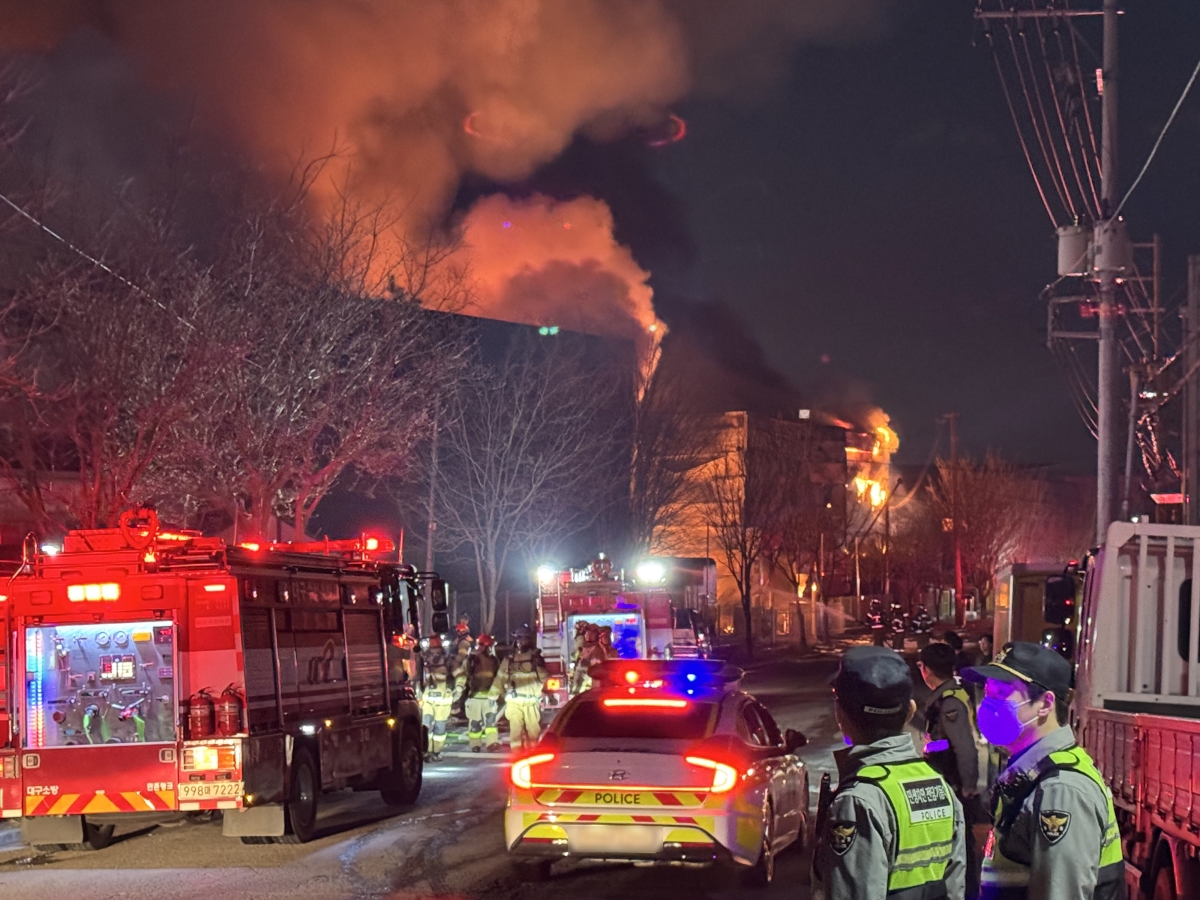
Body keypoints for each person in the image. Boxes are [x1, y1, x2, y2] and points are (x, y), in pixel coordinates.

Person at [962, 642, 1125, 900]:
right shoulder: (1030, 774)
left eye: (1002, 693)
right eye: (988, 692)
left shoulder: (1060, 790)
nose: (988, 704)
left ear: (1045, 704)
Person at [813, 646, 966, 900]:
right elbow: (955, 887)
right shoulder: (939, 786)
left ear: (840, 713)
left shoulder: (858, 800)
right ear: (910, 710)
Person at [919, 643, 985, 898]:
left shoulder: (949, 702)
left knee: (960, 848)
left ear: (924, 669)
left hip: (954, 784)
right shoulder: (948, 696)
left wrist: (968, 786)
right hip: (949, 781)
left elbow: (964, 747)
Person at [497, 625, 548, 752]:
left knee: (533, 731)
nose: (519, 641)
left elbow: (543, 677)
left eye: (521, 638)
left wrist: (539, 666)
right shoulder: (510, 659)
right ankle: (517, 754)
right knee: (516, 731)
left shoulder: (534, 658)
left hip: (530, 702)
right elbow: (500, 678)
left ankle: (532, 753)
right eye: (518, 639)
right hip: (515, 703)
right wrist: (493, 696)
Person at [420, 635, 463, 761]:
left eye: (436, 650)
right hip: (431, 701)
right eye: (433, 650)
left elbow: (459, 675)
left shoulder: (447, 662)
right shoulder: (424, 661)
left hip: (439, 702)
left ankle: (434, 752)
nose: (434, 653)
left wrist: (459, 687)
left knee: (436, 728)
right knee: (430, 728)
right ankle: (430, 752)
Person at [465, 634, 501, 752]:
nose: (490, 649)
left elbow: (498, 677)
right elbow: (466, 673)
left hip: (489, 698)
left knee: (491, 723)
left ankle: (492, 743)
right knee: (475, 723)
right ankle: (475, 744)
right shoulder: (472, 659)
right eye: (489, 646)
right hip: (475, 696)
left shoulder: (494, 660)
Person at [571, 624, 605, 694]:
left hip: (589, 676)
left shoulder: (598, 648)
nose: (589, 635)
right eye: (587, 633)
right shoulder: (583, 646)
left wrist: (588, 664)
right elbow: (575, 657)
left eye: (592, 633)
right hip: (579, 674)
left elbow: (597, 663)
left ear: (596, 635)